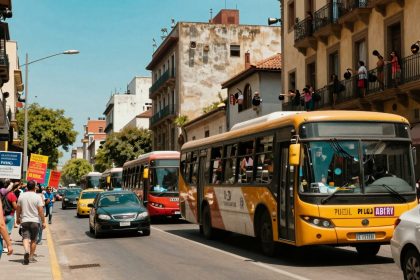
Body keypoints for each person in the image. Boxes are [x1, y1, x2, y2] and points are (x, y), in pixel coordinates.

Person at [16, 180, 46, 265]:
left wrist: (18, 218)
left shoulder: (22, 196)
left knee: (25, 238)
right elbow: (40, 210)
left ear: (27, 187)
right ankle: (31, 257)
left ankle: (26, 251)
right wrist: (43, 222)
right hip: (35, 221)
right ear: (35, 187)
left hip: (24, 221)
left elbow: (18, 208)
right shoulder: (37, 197)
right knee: (33, 240)